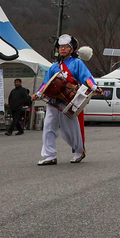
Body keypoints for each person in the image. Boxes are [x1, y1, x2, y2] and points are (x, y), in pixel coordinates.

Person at [37, 35, 92, 165]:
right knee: (48, 127)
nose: (62, 49)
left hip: (69, 101)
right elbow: (46, 83)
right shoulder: (54, 66)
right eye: (60, 47)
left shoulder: (77, 63)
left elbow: (87, 77)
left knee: (70, 131)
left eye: (66, 47)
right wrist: (38, 93)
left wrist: (94, 87)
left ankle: (79, 151)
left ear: (71, 49)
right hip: (53, 101)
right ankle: (50, 155)